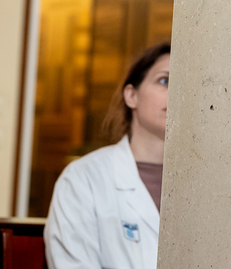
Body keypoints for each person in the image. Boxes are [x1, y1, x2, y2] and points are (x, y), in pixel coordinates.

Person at [45, 42, 171, 269]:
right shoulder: (83, 179)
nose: (179, 93)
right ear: (131, 95)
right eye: (165, 81)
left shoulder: (216, 184)